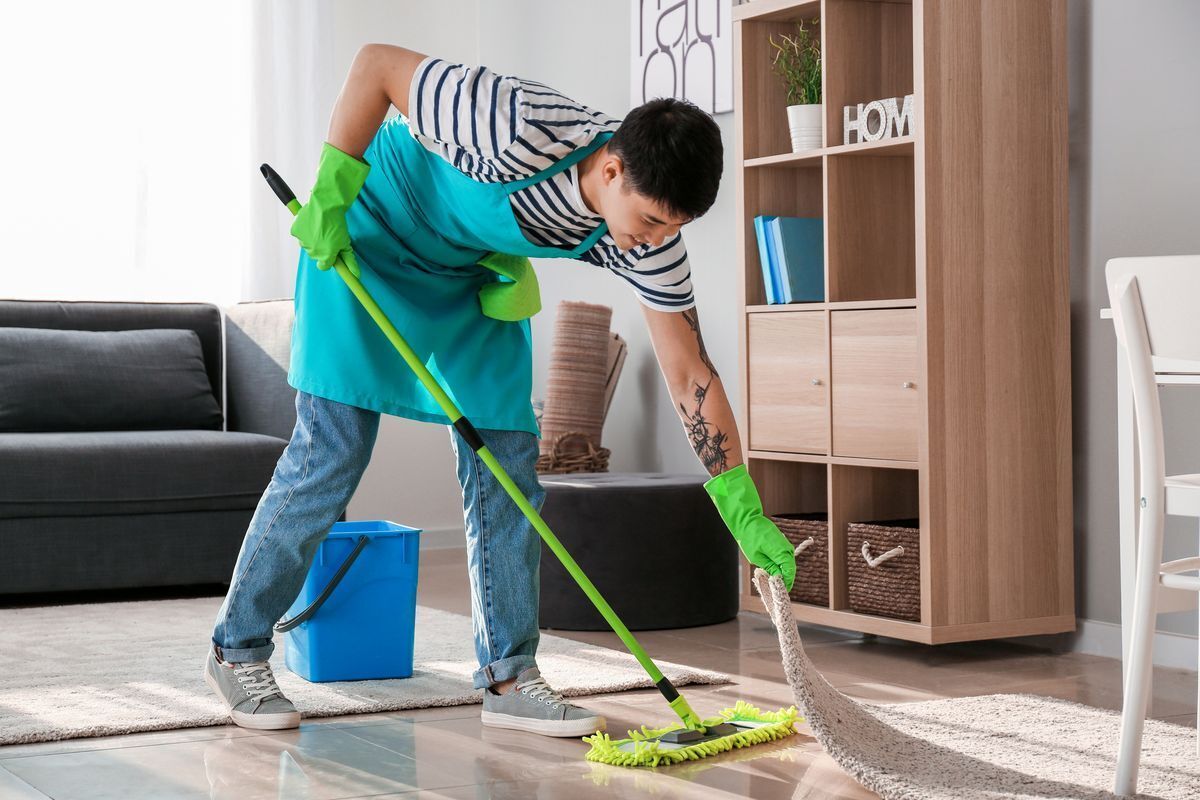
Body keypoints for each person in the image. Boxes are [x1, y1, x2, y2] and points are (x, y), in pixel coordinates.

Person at [204, 44, 797, 738]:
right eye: (649, 221)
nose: (654, 243)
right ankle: (236, 649)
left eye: (675, 229)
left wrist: (741, 506)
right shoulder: (511, 122)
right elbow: (375, 69)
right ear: (610, 170)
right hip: (366, 234)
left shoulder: (655, 238)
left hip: (466, 274)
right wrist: (333, 193)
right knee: (332, 451)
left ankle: (509, 674)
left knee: (508, 460)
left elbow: (692, 373)